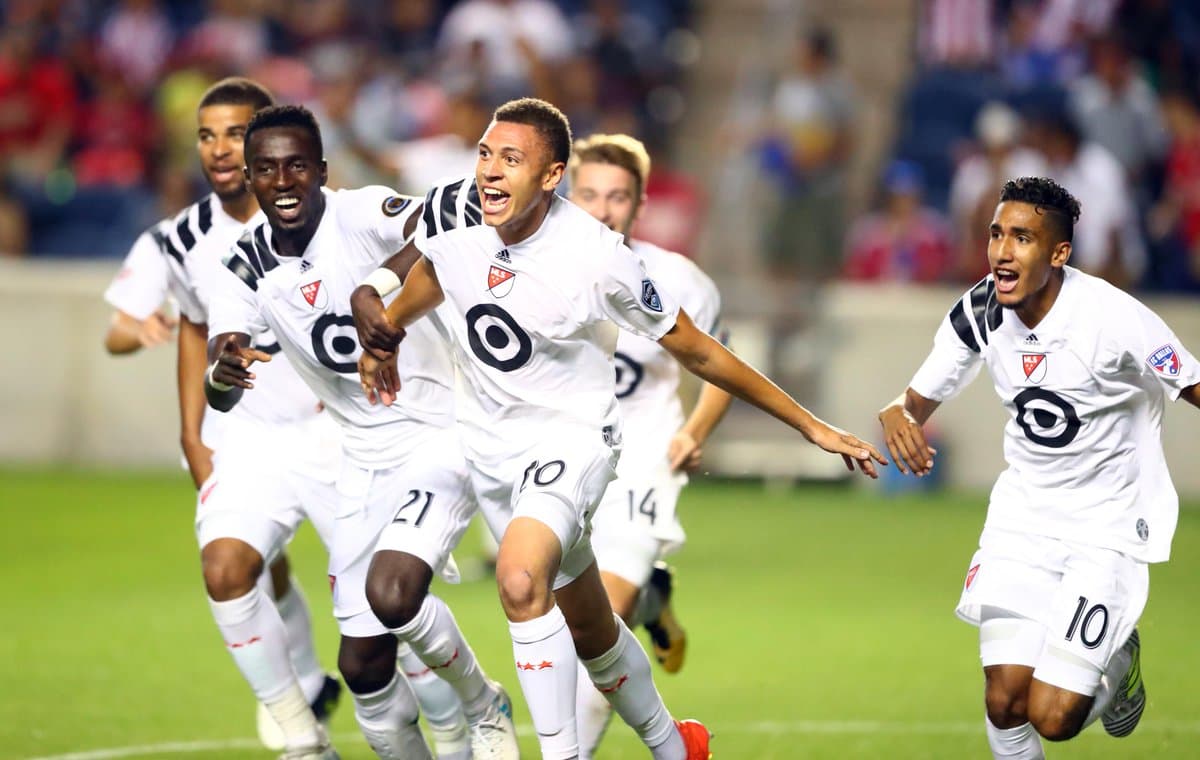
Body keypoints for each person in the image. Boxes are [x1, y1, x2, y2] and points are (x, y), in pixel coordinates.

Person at [353, 96, 885, 760]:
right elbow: (432, 273)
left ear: (551, 177)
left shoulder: (598, 257)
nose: (490, 170)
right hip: (487, 450)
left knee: (521, 581)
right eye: (486, 153)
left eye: (511, 159)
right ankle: (672, 743)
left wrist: (811, 426)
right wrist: (385, 336)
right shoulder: (460, 216)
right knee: (594, 630)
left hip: (573, 442)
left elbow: (698, 349)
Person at [204, 104, 518, 760]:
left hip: (442, 436)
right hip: (361, 461)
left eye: (297, 166)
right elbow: (221, 386)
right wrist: (225, 372)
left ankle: (483, 702)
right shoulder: (242, 266)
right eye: (266, 169)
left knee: (394, 592)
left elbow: (450, 215)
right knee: (366, 672)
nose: (283, 182)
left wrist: (376, 289)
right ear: (249, 179)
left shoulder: (361, 212)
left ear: (322, 170)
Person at [878, 177, 1200, 759]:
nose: (1002, 250)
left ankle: (1118, 662)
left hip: (1106, 530)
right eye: (997, 234)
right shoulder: (979, 310)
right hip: (1023, 522)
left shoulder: (1112, 317)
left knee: (1051, 717)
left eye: (1022, 238)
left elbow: (1192, 381)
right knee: (1004, 700)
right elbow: (914, 400)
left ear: (1058, 254)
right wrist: (898, 413)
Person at [100, 77, 341, 755]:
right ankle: (301, 713)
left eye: (235, 132)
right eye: (207, 135)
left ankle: (438, 705)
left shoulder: (325, 216)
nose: (219, 148)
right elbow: (155, 330)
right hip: (245, 434)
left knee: (379, 601)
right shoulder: (181, 238)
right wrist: (190, 429)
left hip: (336, 431)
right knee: (240, 567)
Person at [565, 132, 733, 757]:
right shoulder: (532, 271)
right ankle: (655, 596)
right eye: (589, 195)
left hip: (644, 456)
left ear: (638, 205)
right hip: (562, 458)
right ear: (566, 194)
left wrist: (694, 431)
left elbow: (721, 365)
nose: (603, 209)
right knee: (566, 622)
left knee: (598, 622)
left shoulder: (677, 279)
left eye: (617, 197)